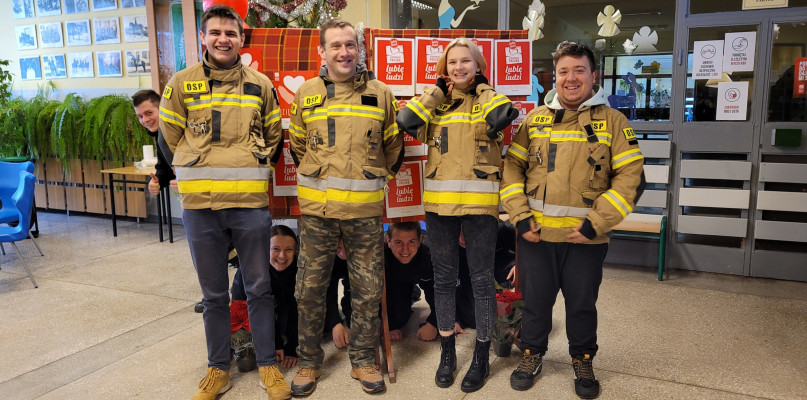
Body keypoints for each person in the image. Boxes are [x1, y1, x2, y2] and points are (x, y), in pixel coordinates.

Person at [157, 5, 290, 400]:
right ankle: (218, 369)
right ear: (203, 37)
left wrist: (251, 161)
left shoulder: (259, 85)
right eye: (215, 32)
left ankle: (268, 364)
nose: (222, 39)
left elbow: (273, 137)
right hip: (200, 206)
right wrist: (196, 165)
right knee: (213, 294)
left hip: (249, 203)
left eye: (230, 33)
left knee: (259, 287)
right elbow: (169, 138)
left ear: (241, 38)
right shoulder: (181, 83)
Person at [500, 41, 645, 398]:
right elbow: (511, 169)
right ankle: (532, 353)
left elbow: (631, 177)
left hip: (586, 239)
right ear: (555, 77)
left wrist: (596, 223)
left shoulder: (614, 121)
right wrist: (519, 217)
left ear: (593, 76)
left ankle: (582, 358)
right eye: (564, 71)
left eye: (579, 70)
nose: (570, 78)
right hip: (536, 236)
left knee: (581, 304)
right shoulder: (534, 120)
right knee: (535, 301)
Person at [287, 18, 404, 396]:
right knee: (308, 289)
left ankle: (362, 360)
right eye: (335, 45)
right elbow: (297, 146)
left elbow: (393, 148)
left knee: (368, 290)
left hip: (365, 212)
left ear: (359, 49)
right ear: (322, 51)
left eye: (350, 44)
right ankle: (307, 362)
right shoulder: (306, 93)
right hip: (318, 213)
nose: (344, 52)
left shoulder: (381, 93)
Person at [396, 38, 518, 393]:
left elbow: (502, 115)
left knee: (481, 281)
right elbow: (405, 120)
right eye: (452, 62)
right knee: (444, 280)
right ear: (444, 68)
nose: (459, 67)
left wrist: (482, 86)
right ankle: (447, 353)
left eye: (466, 61)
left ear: (477, 65)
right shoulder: (435, 102)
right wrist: (436, 91)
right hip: (439, 207)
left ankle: (480, 356)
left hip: (481, 207)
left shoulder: (488, 100)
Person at [230, 225, 300, 373]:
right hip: (246, 307)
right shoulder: (250, 269)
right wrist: (274, 344)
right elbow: (256, 311)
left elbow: (292, 306)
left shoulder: (297, 267)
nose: (282, 256)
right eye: (276, 249)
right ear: (265, 249)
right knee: (243, 346)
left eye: (289, 250)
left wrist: (291, 347)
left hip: (278, 304)